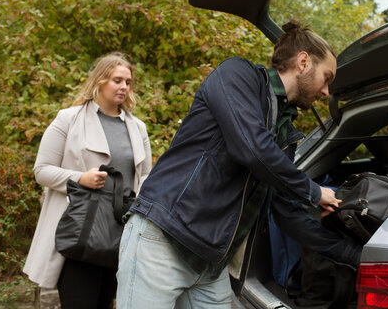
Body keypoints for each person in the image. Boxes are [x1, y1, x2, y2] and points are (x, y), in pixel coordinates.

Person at [116, 20, 361, 309]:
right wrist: (314, 191)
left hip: (210, 263)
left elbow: (287, 212)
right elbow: (253, 148)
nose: (325, 92)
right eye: (327, 77)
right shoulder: (237, 75)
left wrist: (355, 254)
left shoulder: (285, 129)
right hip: (162, 241)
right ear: (304, 62)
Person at [23, 52, 152, 308]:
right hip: (80, 233)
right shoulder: (68, 119)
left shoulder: (138, 128)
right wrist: (79, 178)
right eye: (117, 80)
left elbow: (145, 176)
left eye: (128, 82)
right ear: (100, 80)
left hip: (120, 236)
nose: (124, 87)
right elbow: (42, 170)